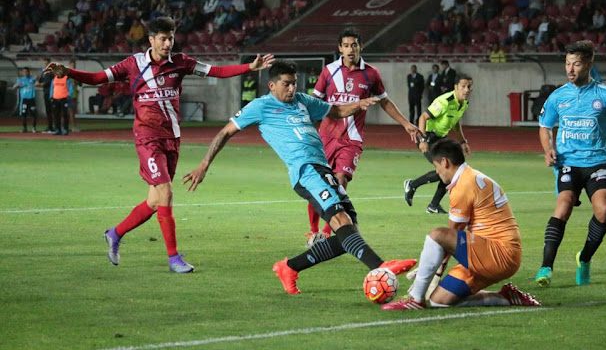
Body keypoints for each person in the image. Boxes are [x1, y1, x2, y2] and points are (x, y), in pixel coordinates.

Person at [45, 16, 275, 273]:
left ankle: (115, 233)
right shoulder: (134, 64)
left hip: (172, 138)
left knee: (155, 201)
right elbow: (99, 78)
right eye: (163, 39)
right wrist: (70, 72)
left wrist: (248, 67)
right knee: (166, 193)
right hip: (147, 138)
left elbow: (215, 71)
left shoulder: (181, 62)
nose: (168, 43)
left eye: (171, 38)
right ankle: (173, 258)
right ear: (151, 40)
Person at [181, 59, 417, 294]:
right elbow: (225, 132)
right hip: (306, 170)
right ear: (272, 86)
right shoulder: (260, 107)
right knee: (341, 222)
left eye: (294, 83)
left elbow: (334, 111)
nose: (292, 88)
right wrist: (204, 164)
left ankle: (290, 267)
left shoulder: (302, 101)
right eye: (287, 84)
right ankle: (381, 267)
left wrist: (359, 104)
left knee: (350, 232)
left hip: (322, 169)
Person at [383, 139, 540, 310]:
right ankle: (505, 297)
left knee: (437, 234)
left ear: (445, 162)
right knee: (439, 300)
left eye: (436, 166)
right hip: (488, 251)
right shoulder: (470, 176)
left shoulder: (464, 184)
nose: (437, 171)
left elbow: (450, 235)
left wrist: (433, 273)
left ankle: (414, 298)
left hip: (497, 253)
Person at [534, 40, 606, 288]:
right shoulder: (558, 96)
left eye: (576, 64)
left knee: (604, 210)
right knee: (563, 207)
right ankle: (546, 266)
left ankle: (585, 257)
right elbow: (544, 127)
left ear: (589, 64)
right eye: (567, 64)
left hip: (599, 161)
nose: (570, 69)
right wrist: (548, 151)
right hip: (568, 162)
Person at [304, 28, 420, 246]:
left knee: (340, 181)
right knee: (318, 183)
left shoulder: (371, 74)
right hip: (326, 137)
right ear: (340, 48)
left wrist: (406, 124)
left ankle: (328, 233)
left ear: (361, 47)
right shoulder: (329, 71)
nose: (350, 49)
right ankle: (313, 230)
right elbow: (314, 101)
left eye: (354, 45)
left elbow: (384, 101)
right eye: (346, 45)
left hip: (352, 139)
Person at [404, 74, 473, 214]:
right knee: (444, 170)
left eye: (469, 87)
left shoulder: (463, 104)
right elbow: (423, 117)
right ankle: (412, 185)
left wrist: (463, 142)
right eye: (463, 86)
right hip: (427, 137)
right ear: (456, 87)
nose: (466, 90)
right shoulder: (445, 101)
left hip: (440, 139)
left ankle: (433, 205)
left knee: (452, 170)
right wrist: (422, 140)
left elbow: (456, 123)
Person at [12, 67, 38, 133]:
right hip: (24, 99)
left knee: (33, 114)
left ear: (29, 72)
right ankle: (24, 128)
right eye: (24, 72)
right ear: (22, 73)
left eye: (26, 71)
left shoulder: (32, 79)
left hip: (31, 99)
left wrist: (35, 77)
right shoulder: (20, 80)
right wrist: (18, 85)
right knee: (24, 114)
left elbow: (37, 76)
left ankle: (34, 128)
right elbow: (14, 88)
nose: (25, 73)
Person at [49, 68, 74, 135]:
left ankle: (65, 129)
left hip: (64, 99)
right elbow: (52, 88)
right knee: (56, 115)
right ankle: (57, 129)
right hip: (55, 99)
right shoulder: (54, 79)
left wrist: (68, 96)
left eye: (60, 71)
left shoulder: (67, 79)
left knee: (64, 115)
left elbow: (71, 89)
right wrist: (51, 97)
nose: (59, 73)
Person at [38, 58, 54, 133]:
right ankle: (50, 126)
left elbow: (48, 82)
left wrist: (41, 84)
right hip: (46, 92)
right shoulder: (43, 71)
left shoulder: (52, 72)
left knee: (52, 110)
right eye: (45, 64)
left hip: (51, 93)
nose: (46, 65)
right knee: (48, 110)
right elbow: (41, 80)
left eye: (47, 63)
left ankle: (53, 127)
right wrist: (38, 79)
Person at [68, 60, 81, 132]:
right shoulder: (67, 75)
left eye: (74, 65)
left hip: (74, 94)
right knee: (70, 111)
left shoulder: (76, 74)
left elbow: (80, 84)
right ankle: (73, 126)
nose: (73, 67)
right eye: (71, 65)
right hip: (68, 94)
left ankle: (72, 126)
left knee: (72, 111)